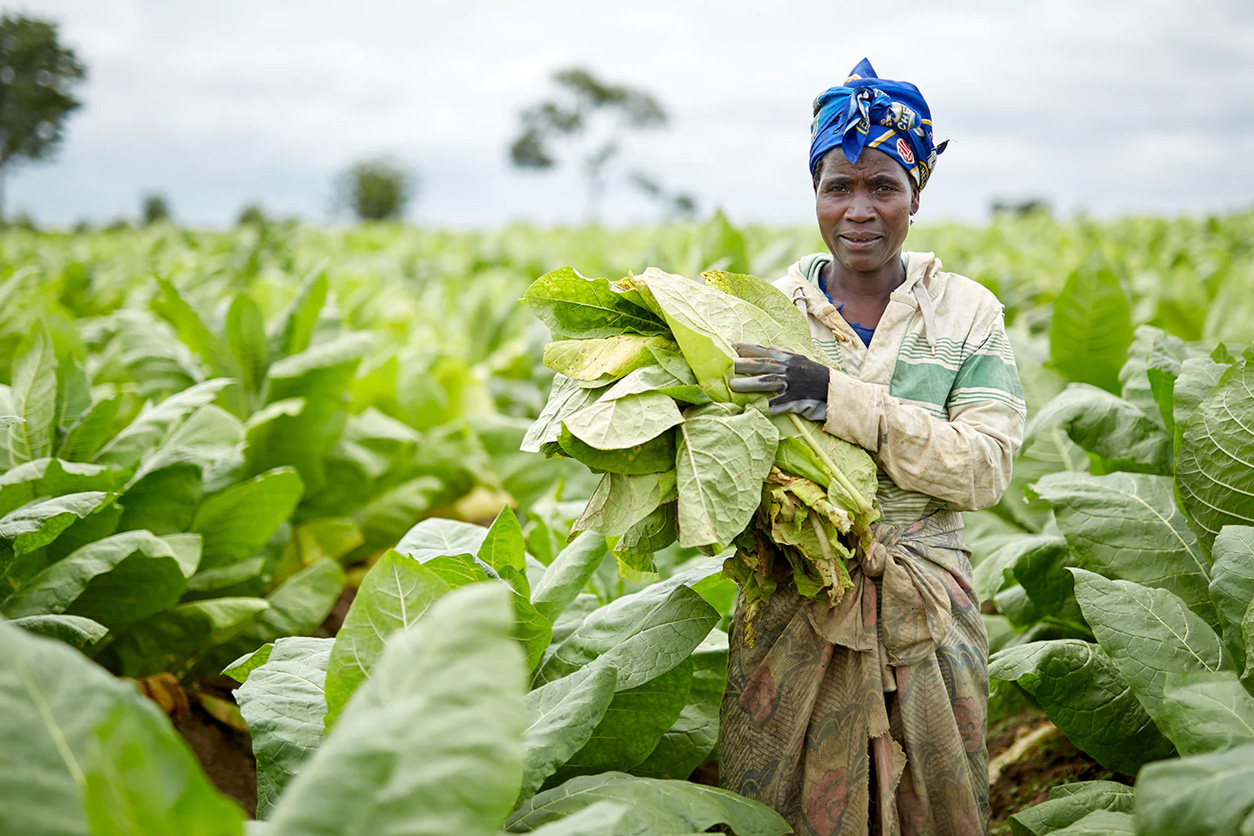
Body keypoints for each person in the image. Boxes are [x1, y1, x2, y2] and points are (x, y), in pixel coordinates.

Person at [720, 59, 1026, 836]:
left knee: (936, 803)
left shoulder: (965, 312)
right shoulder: (762, 315)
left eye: (882, 185)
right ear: (814, 193)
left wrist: (839, 400)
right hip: (796, 598)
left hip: (927, 596)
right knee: (783, 803)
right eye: (839, 185)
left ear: (916, 194)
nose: (859, 210)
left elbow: (985, 467)